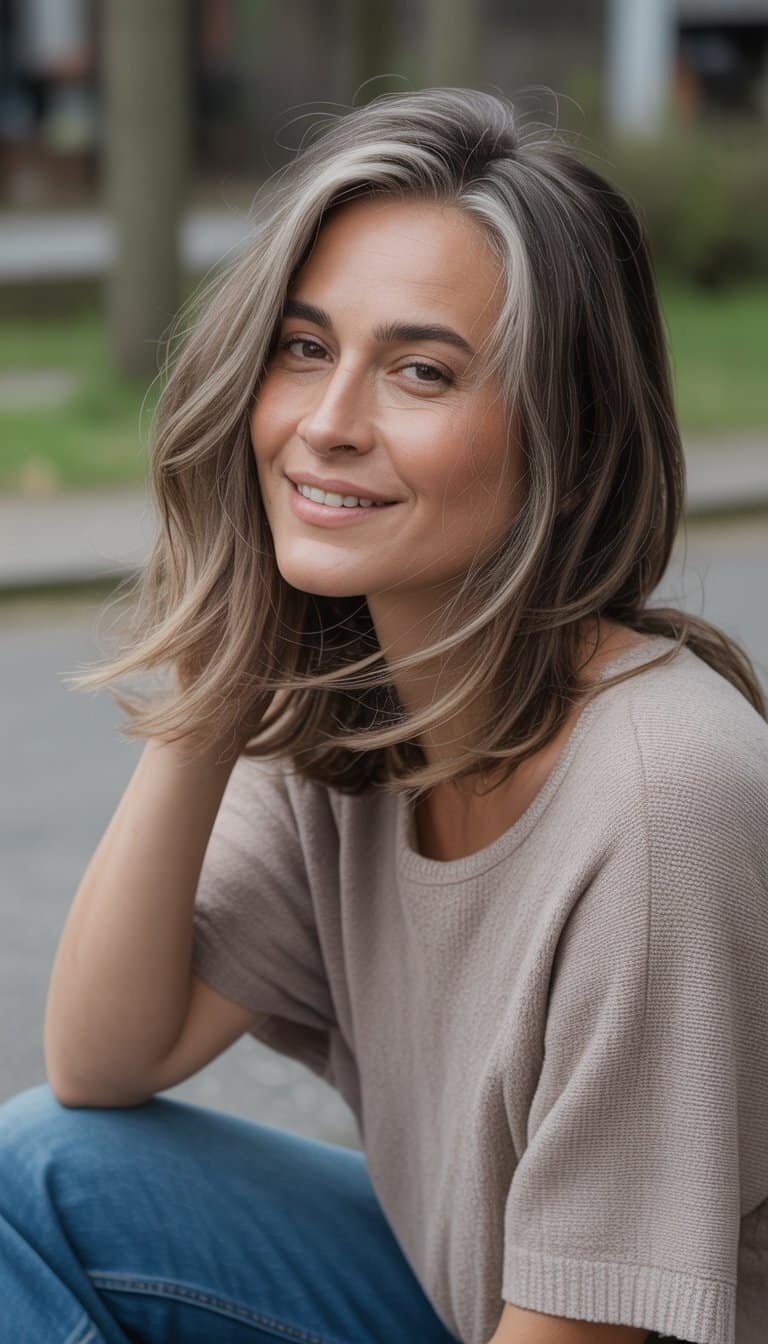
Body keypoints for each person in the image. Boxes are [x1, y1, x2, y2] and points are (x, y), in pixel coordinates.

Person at [1, 87, 766, 1344]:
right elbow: (103, 1058)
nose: (326, 424)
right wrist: (223, 659)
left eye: (420, 370)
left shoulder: (663, 798)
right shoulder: (364, 710)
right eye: (303, 349)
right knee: (43, 1177)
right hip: (461, 1304)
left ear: (565, 437)